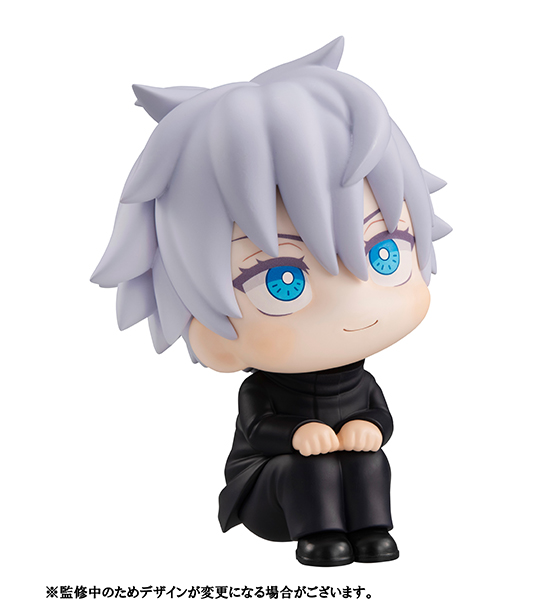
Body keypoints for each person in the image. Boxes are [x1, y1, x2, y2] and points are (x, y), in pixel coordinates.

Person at [91, 37, 451, 566]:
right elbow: (259, 431)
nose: (354, 301)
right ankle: (320, 538)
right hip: (271, 490)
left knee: (370, 459)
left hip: (341, 471)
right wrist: (299, 432)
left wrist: (372, 427)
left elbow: (381, 416)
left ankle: (373, 530)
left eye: (385, 251)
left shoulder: (361, 381)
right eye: (281, 280)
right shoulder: (262, 389)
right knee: (307, 468)